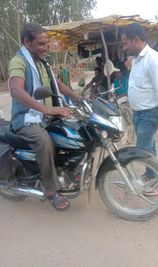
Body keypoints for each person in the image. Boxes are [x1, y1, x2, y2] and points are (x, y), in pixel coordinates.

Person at [8, 23, 81, 210]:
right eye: (41, 44)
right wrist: (46, 109)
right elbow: (16, 90)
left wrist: (78, 97)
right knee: (44, 141)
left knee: (74, 131)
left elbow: (58, 85)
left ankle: (71, 170)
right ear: (27, 42)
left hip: (43, 117)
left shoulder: (42, 63)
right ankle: (50, 190)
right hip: (25, 120)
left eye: (47, 43)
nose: (46, 47)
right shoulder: (19, 62)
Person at [121, 23, 158, 196]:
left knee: (142, 151)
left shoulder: (154, 60)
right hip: (138, 113)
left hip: (149, 114)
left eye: (125, 43)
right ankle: (152, 176)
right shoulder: (136, 59)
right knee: (149, 148)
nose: (124, 47)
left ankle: (154, 182)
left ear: (136, 40)